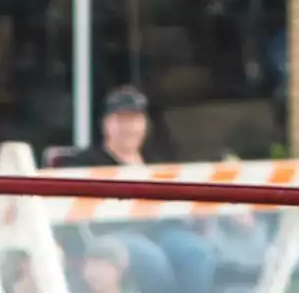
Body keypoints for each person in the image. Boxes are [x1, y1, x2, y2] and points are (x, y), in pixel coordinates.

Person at [56, 87, 216, 293]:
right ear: (106, 124)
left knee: (197, 252)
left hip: (161, 231)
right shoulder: (86, 162)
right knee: (152, 259)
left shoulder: (156, 161)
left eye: (135, 120)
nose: (129, 127)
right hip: (112, 235)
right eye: (121, 120)